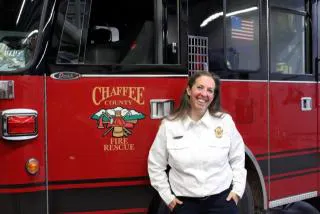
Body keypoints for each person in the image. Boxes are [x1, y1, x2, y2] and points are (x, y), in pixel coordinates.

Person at [148, 71, 247, 214]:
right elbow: (155, 165)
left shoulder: (225, 121)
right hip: (185, 204)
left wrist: (237, 191)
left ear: (213, 96)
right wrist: (168, 198)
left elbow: (238, 158)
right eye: (200, 87)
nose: (204, 94)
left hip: (222, 202)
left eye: (210, 90)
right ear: (189, 90)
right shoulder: (169, 125)